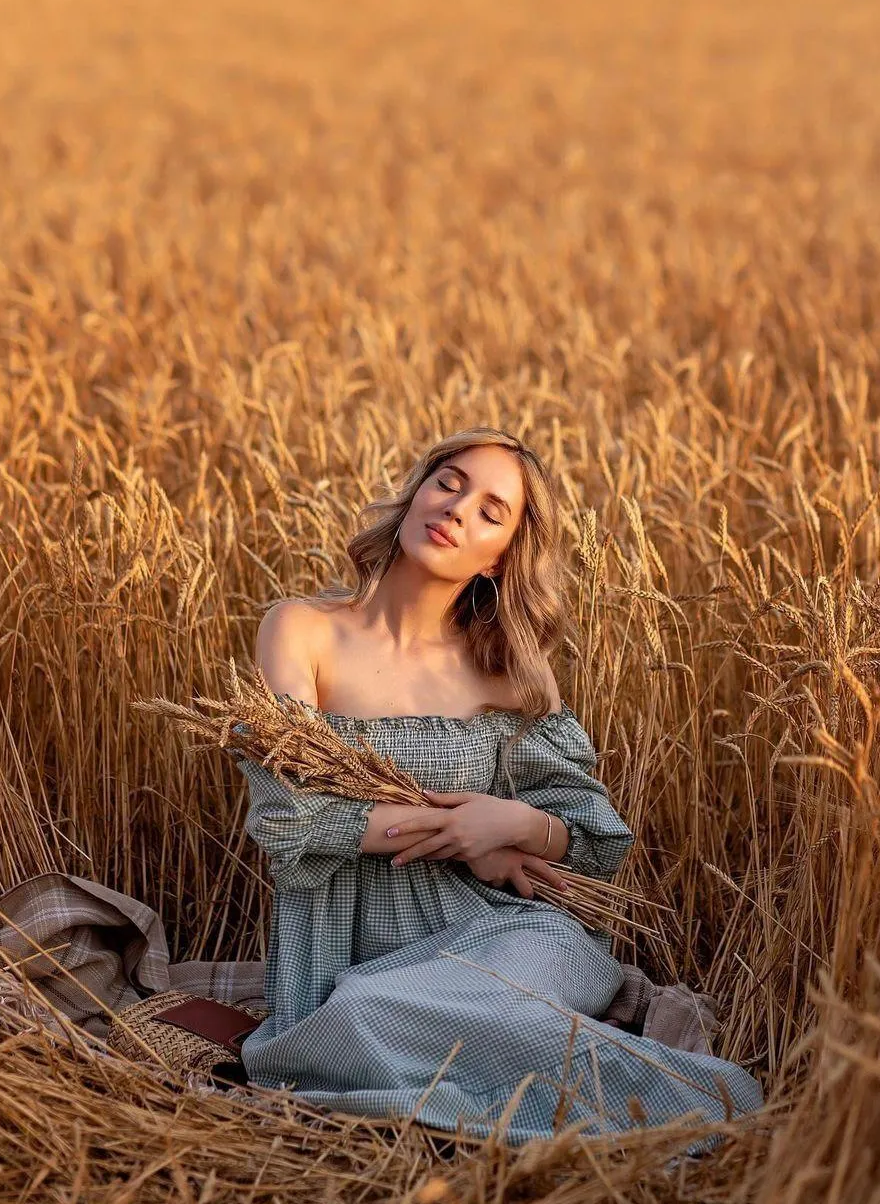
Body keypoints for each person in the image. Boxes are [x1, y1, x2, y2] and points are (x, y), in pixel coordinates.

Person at [237, 426, 763, 1143]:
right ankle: (681, 1119)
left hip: (512, 938)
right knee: (364, 1016)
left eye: (491, 512)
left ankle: (710, 1110)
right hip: (355, 963)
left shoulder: (505, 674)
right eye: (449, 482)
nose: (457, 509)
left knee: (504, 994)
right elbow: (288, 819)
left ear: (499, 559)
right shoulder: (302, 630)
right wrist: (457, 836)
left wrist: (509, 825)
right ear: (418, 492)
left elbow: (590, 835)